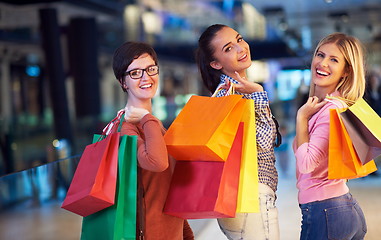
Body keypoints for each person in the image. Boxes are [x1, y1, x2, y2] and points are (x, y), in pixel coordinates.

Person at [196, 24, 281, 240]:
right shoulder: (231, 97)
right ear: (215, 63)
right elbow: (261, 143)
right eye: (228, 48)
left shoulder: (232, 92)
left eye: (239, 39)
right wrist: (260, 95)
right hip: (249, 197)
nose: (241, 48)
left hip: (244, 200)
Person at [112, 41, 194, 240]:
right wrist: (147, 118)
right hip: (149, 233)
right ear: (123, 82)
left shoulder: (153, 124)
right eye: (135, 73)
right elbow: (157, 162)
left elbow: (165, 186)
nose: (146, 77)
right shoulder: (127, 128)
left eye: (150, 69)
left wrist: (185, 233)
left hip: (170, 230)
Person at [293, 33, 368, 240]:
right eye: (320, 54)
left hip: (324, 211)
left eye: (333, 60)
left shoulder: (330, 111)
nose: (322, 63)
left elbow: (307, 164)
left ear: (346, 71)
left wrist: (301, 118)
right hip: (342, 208)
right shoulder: (331, 106)